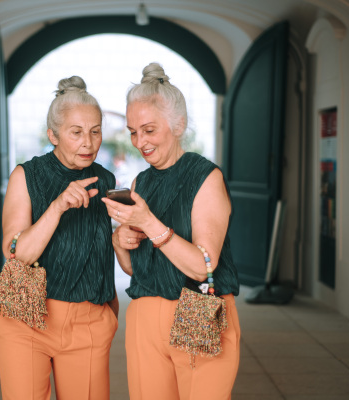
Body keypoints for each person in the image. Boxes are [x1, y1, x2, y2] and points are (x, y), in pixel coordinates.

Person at [102, 63, 241, 399]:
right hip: (144, 317)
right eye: (133, 131)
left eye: (149, 129)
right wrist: (120, 243)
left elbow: (202, 267)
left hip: (197, 309)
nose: (139, 142)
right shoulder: (141, 182)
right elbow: (140, 269)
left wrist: (149, 223)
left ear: (178, 124)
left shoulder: (206, 177)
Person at [0, 76, 118, 400]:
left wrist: (107, 314)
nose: (88, 143)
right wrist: (58, 206)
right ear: (53, 134)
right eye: (76, 132)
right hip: (26, 317)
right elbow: (14, 251)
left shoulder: (105, 179)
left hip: (87, 322)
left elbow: (104, 253)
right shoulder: (27, 175)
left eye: (95, 131)